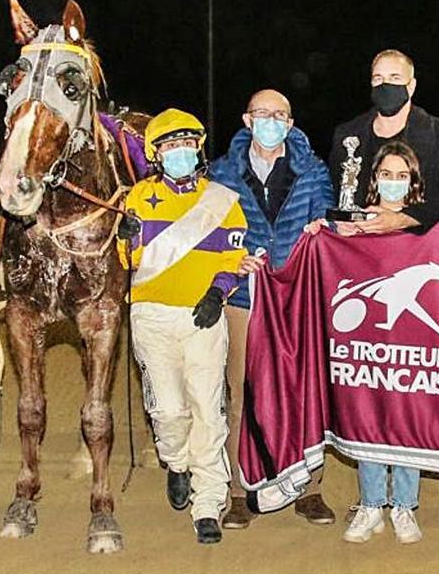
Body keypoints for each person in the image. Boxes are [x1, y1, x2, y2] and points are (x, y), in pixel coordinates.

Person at [327, 49, 439, 523]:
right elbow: (339, 199)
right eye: (377, 77)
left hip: (423, 268)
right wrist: (337, 227)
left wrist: (400, 219)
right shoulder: (348, 135)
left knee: (429, 371)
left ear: (412, 86)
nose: (385, 85)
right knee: (373, 373)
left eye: (395, 78)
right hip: (365, 270)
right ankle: (373, 487)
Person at [117, 108, 248, 545]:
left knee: (209, 410)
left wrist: (218, 293)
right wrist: (122, 238)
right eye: (171, 146)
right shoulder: (134, 199)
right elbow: (125, 264)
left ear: (198, 150)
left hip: (203, 316)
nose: (180, 153)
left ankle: (207, 503)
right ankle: (175, 460)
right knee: (170, 411)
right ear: (156, 153)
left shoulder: (223, 201)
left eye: (187, 145)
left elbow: (233, 257)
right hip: (151, 315)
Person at [206, 89, 334, 530]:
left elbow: (329, 225)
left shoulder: (314, 172)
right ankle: (240, 490)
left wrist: (323, 230)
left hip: (298, 295)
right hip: (243, 295)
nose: (271, 121)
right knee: (241, 390)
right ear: (246, 119)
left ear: (291, 123)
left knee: (305, 389)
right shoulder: (222, 173)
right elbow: (211, 236)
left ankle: (311, 486)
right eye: (263, 114)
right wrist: (230, 262)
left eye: (280, 115)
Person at [309, 141, 427, 544]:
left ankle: (405, 506)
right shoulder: (356, 222)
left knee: (408, 419)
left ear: (412, 181)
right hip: (365, 341)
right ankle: (372, 503)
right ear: (372, 179)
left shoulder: (425, 227)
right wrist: (319, 234)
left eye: (401, 175)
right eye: (385, 174)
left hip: (411, 342)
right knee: (368, 418)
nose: (393, 182)